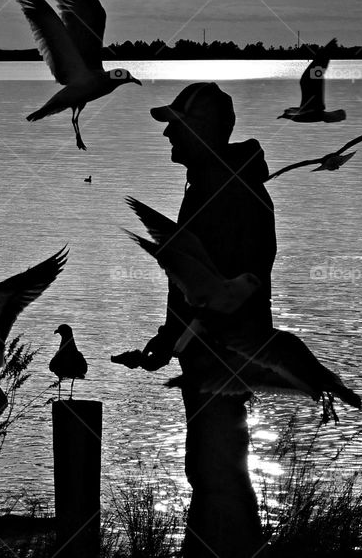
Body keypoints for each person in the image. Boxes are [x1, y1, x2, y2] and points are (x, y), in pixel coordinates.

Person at [115, 82, 277, 558]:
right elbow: (197, 285)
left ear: (202, 131)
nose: (168, 136)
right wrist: (168, 342)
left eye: (176, 126)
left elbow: (218, 288)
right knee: (215, 466)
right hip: (212, 357)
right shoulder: (214, 183)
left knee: (215, 467)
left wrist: (183, 339)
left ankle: (219, 552)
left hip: (220, 361)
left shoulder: (225, 192)